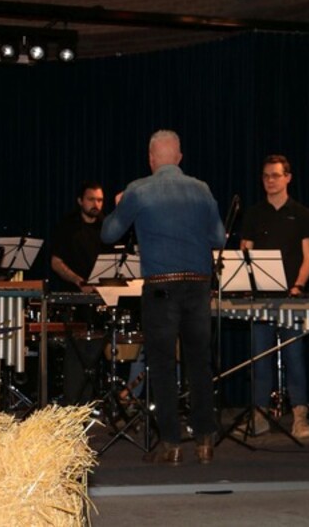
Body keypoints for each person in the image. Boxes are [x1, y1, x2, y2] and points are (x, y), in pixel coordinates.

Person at [101, 130, 225, 465]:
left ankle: (171, 443)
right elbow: (218, 238)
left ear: (151, 159)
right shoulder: (202, 189)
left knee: (162, 364)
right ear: (179, 158)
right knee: (200, 363)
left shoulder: (138, 190)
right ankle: (205, 441)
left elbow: (109, 233)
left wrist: (120, 206)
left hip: (160, 288)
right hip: (198, 287)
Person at [241, 154, 309, 439]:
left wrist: (298, 286)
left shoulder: (302, 214)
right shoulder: (253, 213)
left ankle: (300, 417)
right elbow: (245, 253)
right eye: (265, 176)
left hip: (291, 297)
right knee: (259, 358)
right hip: (261, 298)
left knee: (294, 357)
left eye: (275, 175)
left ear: (288, 178)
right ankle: (259, 416)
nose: (270, 181)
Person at [50, 181, 113, 404]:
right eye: (91, 199)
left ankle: (94, 400)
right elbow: (56, 262)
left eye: (100, 200)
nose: (96, 204)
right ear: (80, 201)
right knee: (77, 353)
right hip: (75, 298)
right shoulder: (67, 226)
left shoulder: (107, 227)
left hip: (101, 298)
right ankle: (74, 402)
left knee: (98, 350)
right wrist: (79, 281)